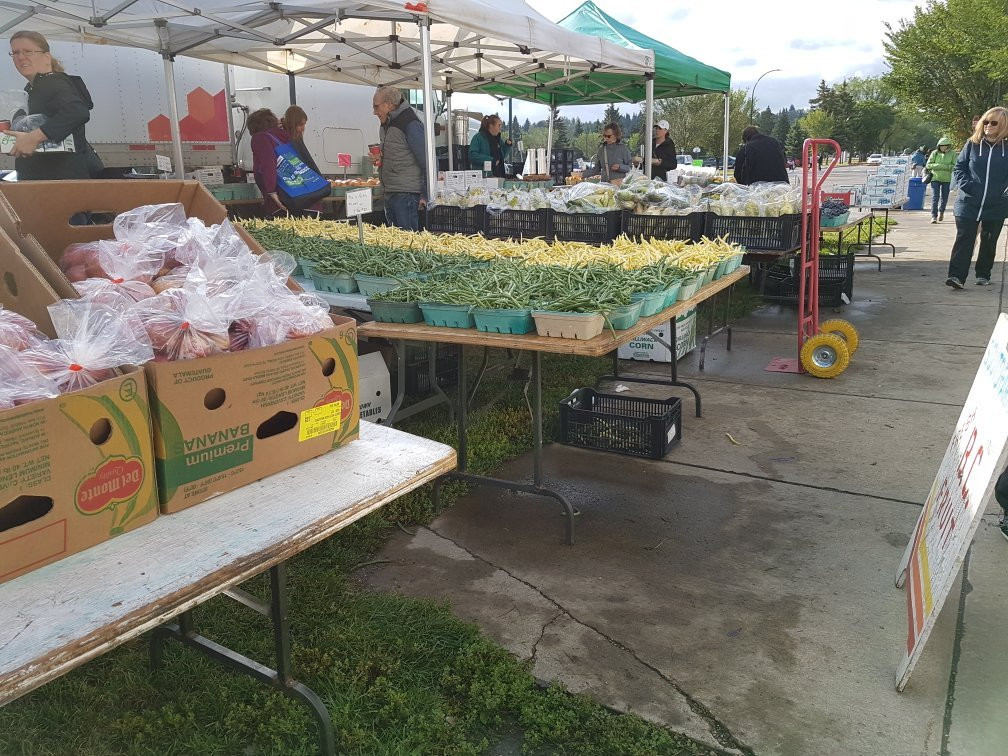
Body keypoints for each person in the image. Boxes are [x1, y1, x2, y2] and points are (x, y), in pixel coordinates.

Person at [5, 30, 91, 181]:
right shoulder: (32, 88)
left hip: (59, 180)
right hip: (45, 178)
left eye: (28, 51)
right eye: (15, 52)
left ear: (46, 57)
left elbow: (77, 111)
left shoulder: (52, 82)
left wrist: (34, 138)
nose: (20, 57)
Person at [945, 107, 1008, 289]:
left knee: (989, 240)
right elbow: (959, 168)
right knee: (965, 237)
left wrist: (1003, 192)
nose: (988, 125)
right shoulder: (972, 144)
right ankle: (956, 276)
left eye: (993, 122)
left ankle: (983, 273)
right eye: (986, 121)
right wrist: (968, 186)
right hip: (968, 202)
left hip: (996, 204)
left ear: (1003, 125)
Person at [248, 108, 327, 217]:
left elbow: (268, 163)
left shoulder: (260, 138)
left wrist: (271, 192)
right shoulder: (284, 137)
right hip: (308, 201)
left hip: (287, 203)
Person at [372, 85, 427, 231]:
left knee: (407, 244)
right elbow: (399, 152)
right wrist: (381, 156)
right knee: (395, 242)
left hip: (406, 194)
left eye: (376, 107)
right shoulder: (387, 124)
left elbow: (427, 161)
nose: (374, 112)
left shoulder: (410, 123)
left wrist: (425, 195)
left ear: (389, 104)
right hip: (391, 190)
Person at [281, 105, 322, 176]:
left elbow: (307, 159)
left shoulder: (296, 137)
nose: (303, 128)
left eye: (304, 124)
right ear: (292, 124)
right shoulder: (283, 138)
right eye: (300, 125)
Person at [925, 137, 955, 223]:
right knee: (935, 197)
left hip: (947, 179)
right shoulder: (934, 153)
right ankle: (934, 216)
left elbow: (955, 166)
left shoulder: (952, 154)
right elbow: (928, 165)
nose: (943, 147)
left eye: (945, 145)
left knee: (944, 197)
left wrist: (940, 166)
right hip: (935, 178)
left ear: (948, 146)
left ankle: (941, 211)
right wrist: (943, 166)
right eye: (941, 145)